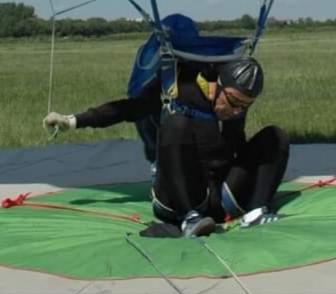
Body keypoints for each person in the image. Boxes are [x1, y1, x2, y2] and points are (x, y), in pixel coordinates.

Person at [43, 56, 289, 238]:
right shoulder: (176, 88)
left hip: (222, 192)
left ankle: (255, 212)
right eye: (234, 102)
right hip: (181, 194)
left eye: (245, 107)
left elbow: (240, 140)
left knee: (275, 136)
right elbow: (129, 109)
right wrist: (72, 121)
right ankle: (189, 219)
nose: (237, 112)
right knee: (175, 123)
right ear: (216, 85)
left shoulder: (235, 106)